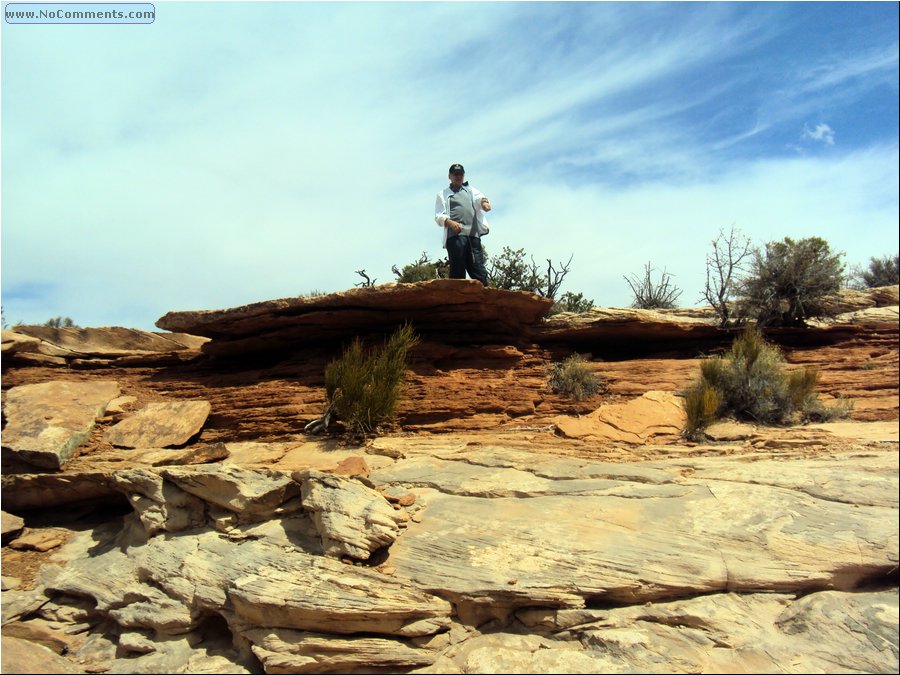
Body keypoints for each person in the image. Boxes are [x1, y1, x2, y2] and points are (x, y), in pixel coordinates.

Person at [434, 163, 491, 285]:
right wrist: (449, 222)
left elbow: (480, 197)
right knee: (457, 271)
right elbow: (439, 215)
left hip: (473, 235)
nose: (458, 176)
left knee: (478, 269)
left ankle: (484, 298)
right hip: (455, 236)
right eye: (456, 174)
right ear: (450, 176)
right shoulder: (443, 194)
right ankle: (456, 301)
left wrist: (484, 203)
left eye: (461, 174)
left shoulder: (470, 190)